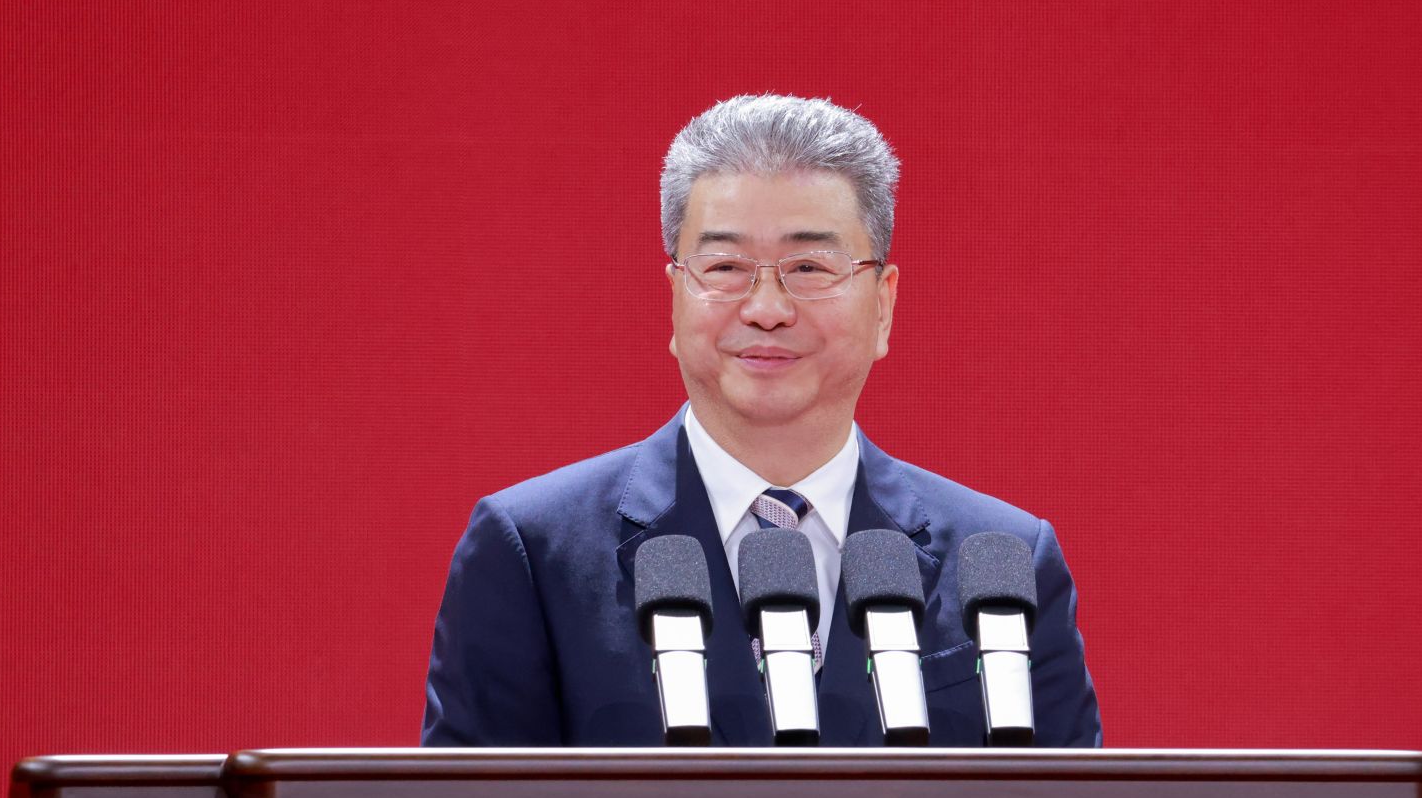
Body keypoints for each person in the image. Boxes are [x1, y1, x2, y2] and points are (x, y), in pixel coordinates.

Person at [421, 95, 1100, 747]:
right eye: (725, 267)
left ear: (883, 305)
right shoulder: (535, 553)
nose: (766, 309)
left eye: (809, 266)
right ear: (674, 297)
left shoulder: (1003, 562)